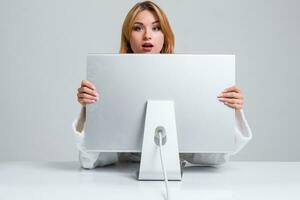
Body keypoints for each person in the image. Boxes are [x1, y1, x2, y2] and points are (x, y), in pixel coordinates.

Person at [72, 1, 252, 169]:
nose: (147, 36)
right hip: (123, 179)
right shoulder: (109, 83)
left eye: (156, 28)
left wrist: (233, 110)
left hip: (175, 178)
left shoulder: (189, 81)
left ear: (165, 36)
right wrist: (89, 111)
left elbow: (218, 157)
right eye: (137, 28)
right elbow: (89, 160)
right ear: (128, 37)